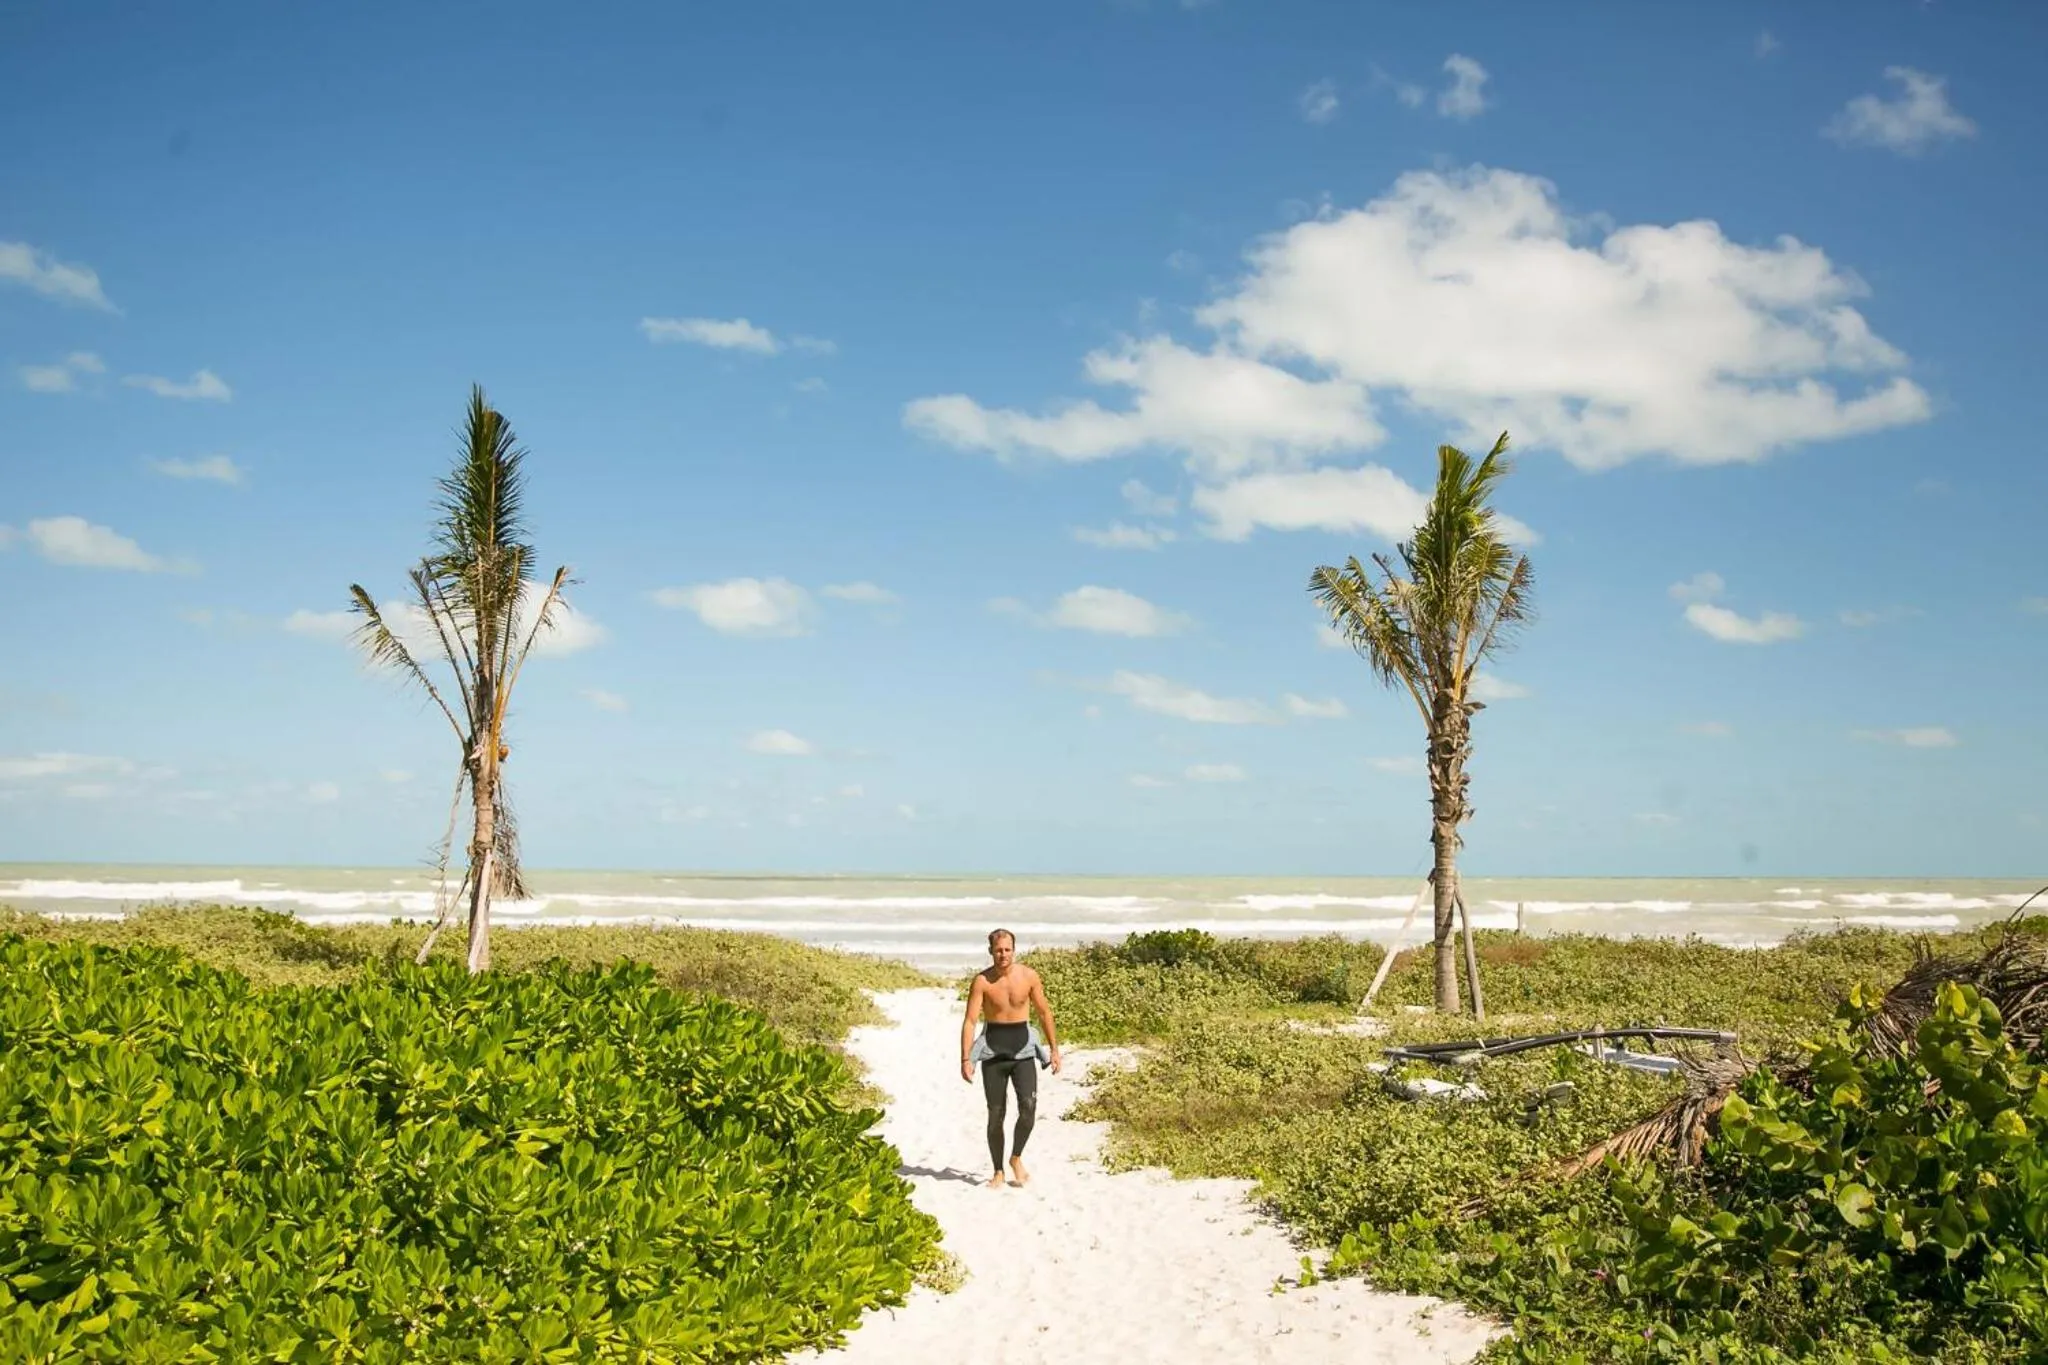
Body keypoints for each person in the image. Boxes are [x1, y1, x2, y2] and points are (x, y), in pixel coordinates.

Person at [960, 927, 1062, 1187]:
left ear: (1013, 950)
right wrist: (965, 1059)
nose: (1003, 954)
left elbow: (1044, 1013)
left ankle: (1015, 1157)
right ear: (991, 951)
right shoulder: (982, 981)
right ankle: (998, 1171)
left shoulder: (1029, 977)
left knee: (1028, 1108)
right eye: (998, 950)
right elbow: (971, 1021)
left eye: (1007, 950)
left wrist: (1054, 1049)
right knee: (996, 1115)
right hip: (993, 1052)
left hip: (1023, 1051)